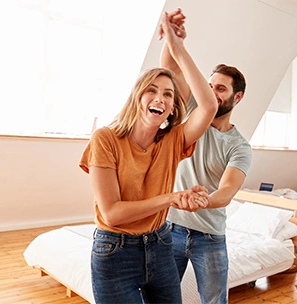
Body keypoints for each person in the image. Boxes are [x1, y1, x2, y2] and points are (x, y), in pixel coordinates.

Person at [78, 12, 217, 304]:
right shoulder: (106, 139)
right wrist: (170, 198)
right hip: (115, 252)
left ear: (171, 109)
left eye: (168, 95)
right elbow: (113, 213)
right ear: (137, 98)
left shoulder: (173, 140)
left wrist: (177, 46)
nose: (160, 98)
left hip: (160, 244)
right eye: (151, 91)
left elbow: (207, 106)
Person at [161, 9, 252, 304]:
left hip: (209, 237)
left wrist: (200, 200)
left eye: (221, 89)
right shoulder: (192, 111)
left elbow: (226, 192)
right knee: (162, 298)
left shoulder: (239, 147)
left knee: (214, 301)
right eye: (210, 86)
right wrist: (172, 38)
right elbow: (171, 71)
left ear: (237, 98)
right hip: (170, 227)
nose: (211, 94)